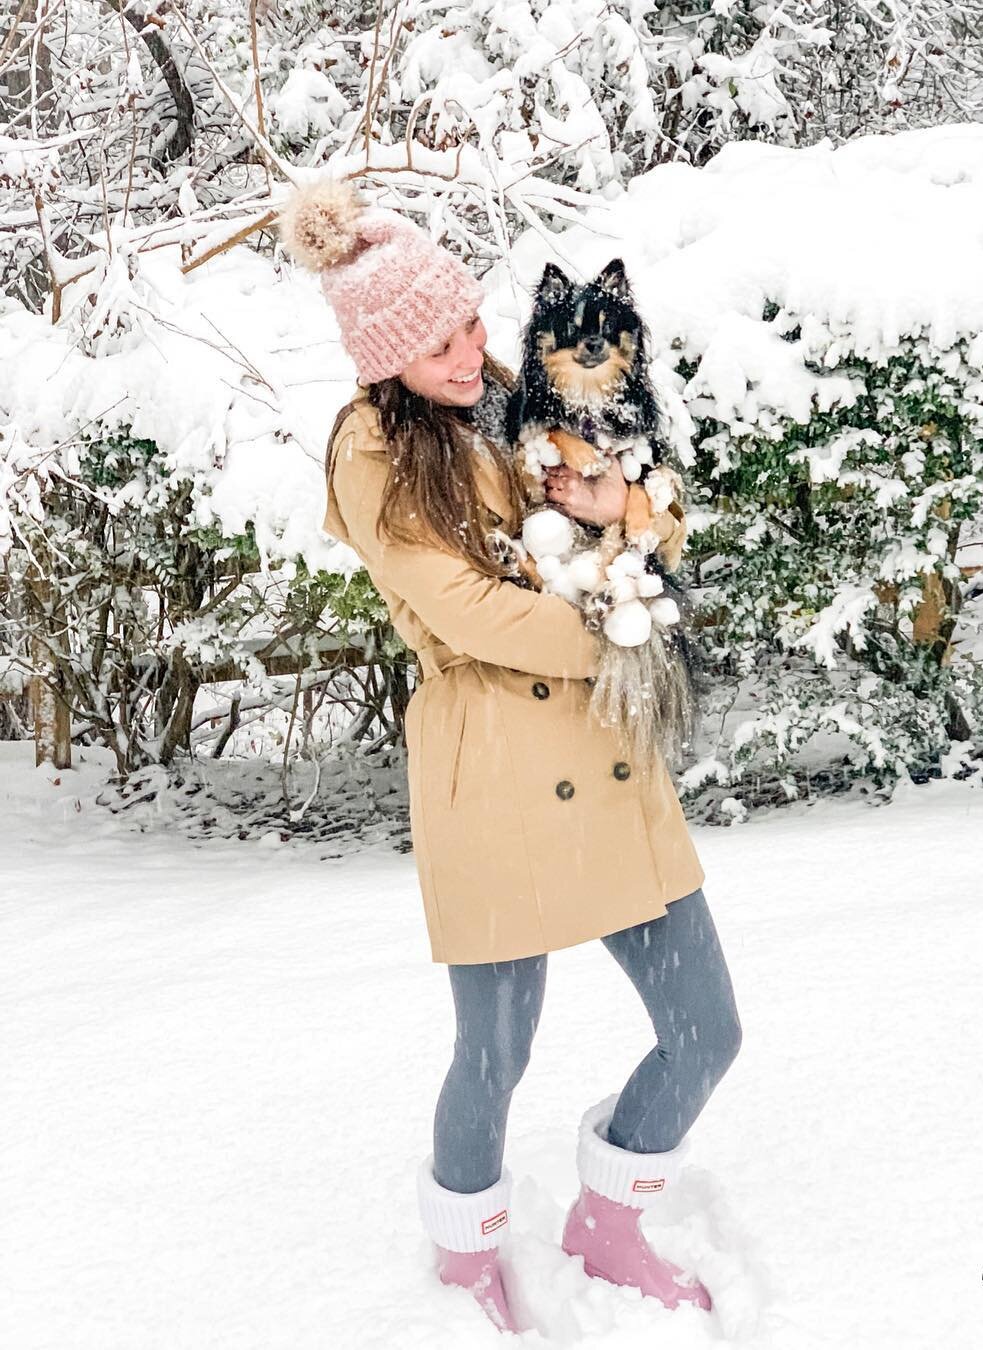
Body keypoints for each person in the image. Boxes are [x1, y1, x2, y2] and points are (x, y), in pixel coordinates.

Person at [279, 181, 743, 1335]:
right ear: (383, 354)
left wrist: (629, 514)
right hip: (490, 764)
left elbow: (631, 514)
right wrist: (620, 622)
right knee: (495, 1050)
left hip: (603, 746)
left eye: (469, 325)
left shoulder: (509, 401)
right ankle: (465, 1258)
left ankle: (611, 1218)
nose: (468, 351)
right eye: (436, 343)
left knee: (707, 1029)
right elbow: (469, 611)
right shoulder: (373, 453)